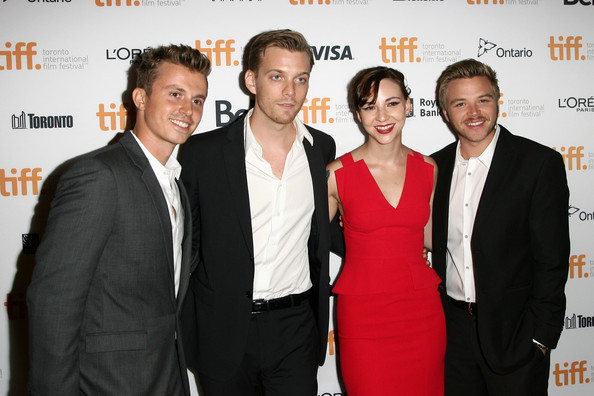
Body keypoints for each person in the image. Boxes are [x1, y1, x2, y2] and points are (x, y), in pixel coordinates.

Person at [27, 44, 211, 396]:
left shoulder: (175, 183)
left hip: (167, 374)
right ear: (140, 98)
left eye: (198, 100)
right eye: (175, 94)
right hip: (107, 381)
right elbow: (54, 301)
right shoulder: (99, 176)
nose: (188, 109)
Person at [179, 29, 336, 396]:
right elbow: (187, 248)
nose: (290, 91)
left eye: (301, 79)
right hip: (223, 330)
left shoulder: (321, 149)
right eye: (276, 76)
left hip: (296, 327)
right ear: (251, 80)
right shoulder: (203, 153)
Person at [431, 58, 570, 396]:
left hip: (516, 334)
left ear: (497, 101)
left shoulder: (538, 164)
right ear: (446, 113)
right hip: (451, 335)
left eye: (483, 99)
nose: (474, 112)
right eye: (460, 103)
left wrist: (540, 338)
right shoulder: (434, 167)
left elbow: (552, 259)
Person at [326, 66, 445, 395]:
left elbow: (432, 239)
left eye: (392, 103)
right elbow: (310, 241)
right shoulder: (337, 174)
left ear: (408, 105)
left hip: (422, 312)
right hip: (364, 316)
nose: (382, 116)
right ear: (357, 114)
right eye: (369, 106)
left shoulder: (428, 168)